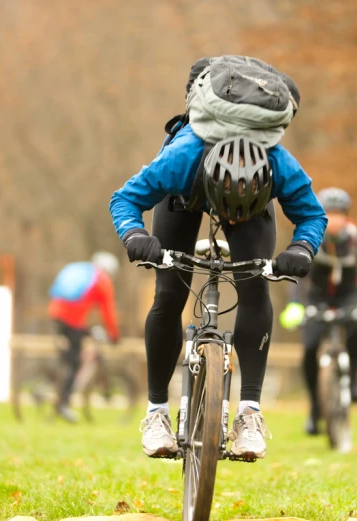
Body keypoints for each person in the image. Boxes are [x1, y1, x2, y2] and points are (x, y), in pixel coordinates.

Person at [109, 86, 327, 459]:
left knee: (256, 288)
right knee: (169, 294)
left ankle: (250, 413)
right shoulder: (183, 157)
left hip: (255, 209)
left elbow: (312, 215)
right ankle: (156, 411)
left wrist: (301, 248)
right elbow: (124, 199)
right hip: (184, 199)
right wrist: (135, 235)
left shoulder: (278, 164)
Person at [278, 187, 357, 435]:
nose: (334, 219)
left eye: (339, 213)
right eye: (329, 213)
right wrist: (295, 303)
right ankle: (315, 406)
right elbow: (299, 277)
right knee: (310, 348)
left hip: (348, 297)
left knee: (355, 331)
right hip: (317, 297)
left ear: (346, 216)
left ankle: (354, 382)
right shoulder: (314, 238)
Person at [47, 251, 121, 423]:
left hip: (56, 313)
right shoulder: (103, 280)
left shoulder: (80, 269)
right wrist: (114, 335)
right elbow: (108, 311)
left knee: (71, 354)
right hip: (72, 320)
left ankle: (59, 385)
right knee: (75, 362)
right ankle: (63, 403)